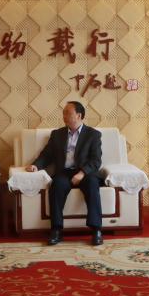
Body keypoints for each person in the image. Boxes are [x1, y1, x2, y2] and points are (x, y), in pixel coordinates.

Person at [26, 101, 104, 246]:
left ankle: (96, 230)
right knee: (56, 186)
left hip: (85, 173)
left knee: (93, 185)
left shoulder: (93, 135)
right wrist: (36, 165)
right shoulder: (57, 134)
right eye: (63, 113)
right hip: (64, 172)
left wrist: (82, 173)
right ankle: (56, 230)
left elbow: (96, 160)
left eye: (67, 113)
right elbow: (47, 154)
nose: (64, 116)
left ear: (79, 115)